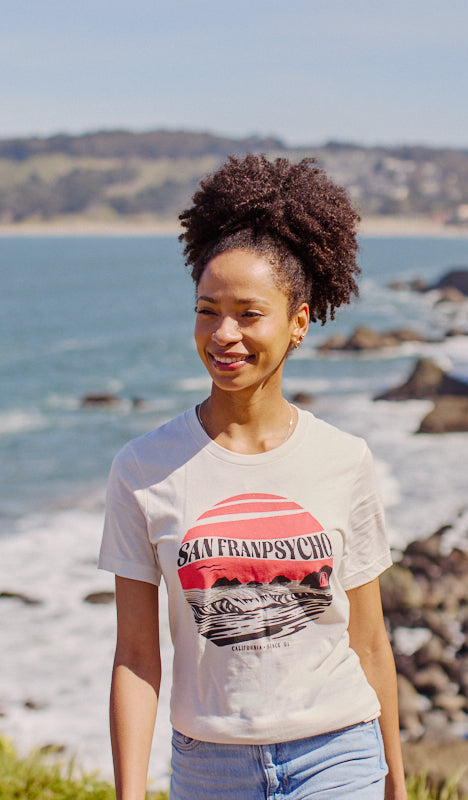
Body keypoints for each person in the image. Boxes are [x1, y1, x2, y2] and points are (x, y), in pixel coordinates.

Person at [99, 154, 407, 800]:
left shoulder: (343, 460)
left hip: (337, 754)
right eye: (207, 311)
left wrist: (395, 784)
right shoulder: (142, 469)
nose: (224, 334)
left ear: (298, 323)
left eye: (248, 313)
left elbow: (370, 643)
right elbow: (135, 655)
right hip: (210, 767)